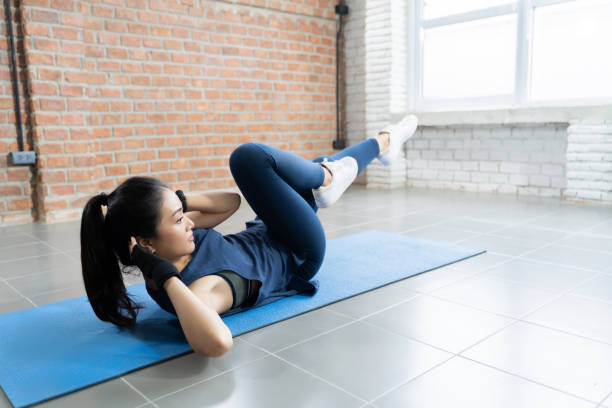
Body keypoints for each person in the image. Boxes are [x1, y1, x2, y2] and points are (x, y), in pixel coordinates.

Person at [80, 114, 418, 357]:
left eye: (183, 216)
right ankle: (329, 176)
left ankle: (381, 145)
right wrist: (165, 276)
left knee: (309, 172)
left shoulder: (178, 242)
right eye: (178, 219)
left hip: (266, 230)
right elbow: (217, 343)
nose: (187, 223)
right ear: (147, 244)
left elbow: (230, 203)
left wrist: (177, 201)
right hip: (296, 250)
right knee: (249, 159)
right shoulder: (198, 288)